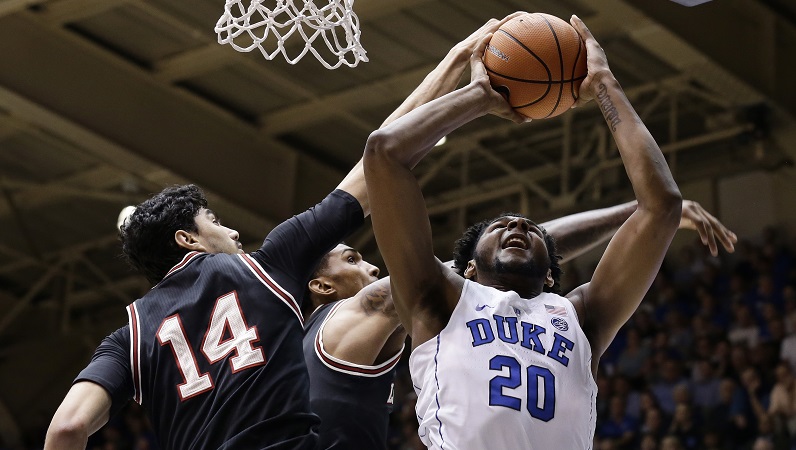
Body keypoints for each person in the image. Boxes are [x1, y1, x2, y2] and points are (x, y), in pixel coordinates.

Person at [363, 14, 690, 448]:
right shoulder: (439, 298)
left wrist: (604, 87)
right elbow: (383, 152)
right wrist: (480, 95)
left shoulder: (580, 317)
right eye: (499, 226)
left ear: (551, 277)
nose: (517, 223)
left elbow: (663, 207)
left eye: (531, 229)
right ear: (469, 271)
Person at [44, 154, 371, 446]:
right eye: (215, 221)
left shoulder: (129, 338)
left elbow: (67, 428)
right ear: (188, 240)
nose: (233, 232)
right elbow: (372, 169)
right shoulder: (263, 267)